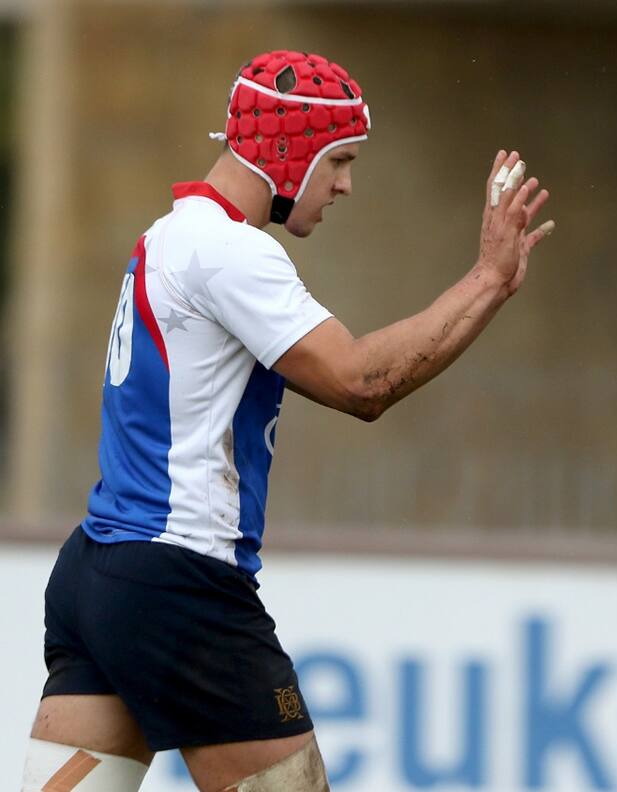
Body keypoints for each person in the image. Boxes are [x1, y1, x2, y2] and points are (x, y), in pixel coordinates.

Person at [22, 50, 553, 792]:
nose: (343, 184)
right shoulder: (230, 252)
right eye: (339, 159)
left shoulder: (169, 236)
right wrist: (488, 281)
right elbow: (363, 383)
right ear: (286, 149)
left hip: (97, 572)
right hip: (181, 583)